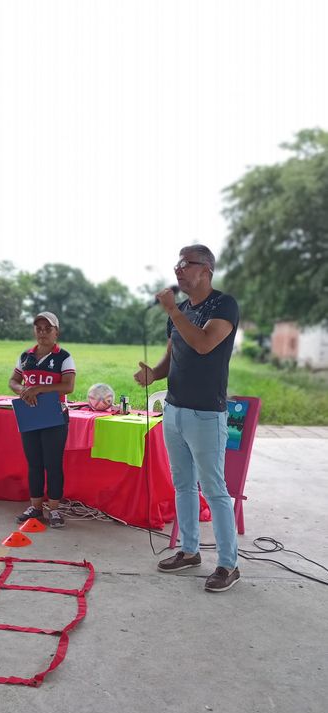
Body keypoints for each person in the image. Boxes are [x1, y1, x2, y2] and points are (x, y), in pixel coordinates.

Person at [134, 244, 240, 592]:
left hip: (206, 413)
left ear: (206, 270)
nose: (178, 269)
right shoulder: (179, 310)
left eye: (186, 263)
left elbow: (204, 343)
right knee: (182, 485)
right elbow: (174, 354)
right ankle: (189, 550)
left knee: (214, 489)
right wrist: (154, 374)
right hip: (174, 409)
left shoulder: (223, 305)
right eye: (177, 263)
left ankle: (228, 564)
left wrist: (171, 310)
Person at [9, 311, 76, 528]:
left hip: (55, 415)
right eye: (38, 328)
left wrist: (38, 389)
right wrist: (22, 390)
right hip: (30, 415)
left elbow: (68, 386)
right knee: (34, 463)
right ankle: (36, 507)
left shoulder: (63, 357)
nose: (43, 332)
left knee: (53, 463)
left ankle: (54, 509)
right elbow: (13, 381)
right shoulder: (25, 356)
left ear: (57, 332)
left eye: (48, 329)